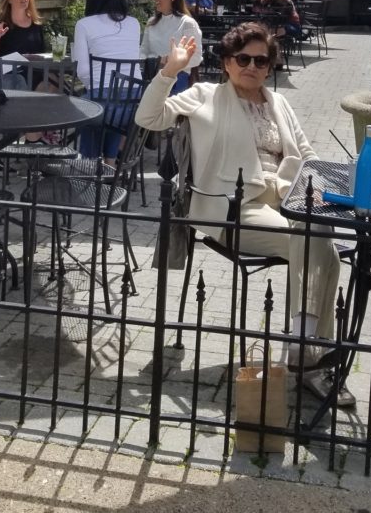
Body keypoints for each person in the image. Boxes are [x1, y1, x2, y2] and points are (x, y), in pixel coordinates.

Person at [134, 23, 353, 406]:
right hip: (232, 208)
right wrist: (171, 70)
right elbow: (148, 119)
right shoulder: (204, 95)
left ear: (270, 67)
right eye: (243, 58)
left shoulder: (279, 103)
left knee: (318, 238)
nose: (252, 66)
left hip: (285, 199)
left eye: (261, 60)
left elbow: (307, 154)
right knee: (318, 243)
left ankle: (304, 347)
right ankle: (311, 360)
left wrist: (320, 189)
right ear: (227, 62)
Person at [72, 0, 142, 159]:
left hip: (103, 104)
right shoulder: (134, 23)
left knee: (90, 108)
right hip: (133, 106)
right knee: (114, 110)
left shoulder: (84, 25)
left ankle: (90, 163)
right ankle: (110, 162)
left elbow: (83, 71)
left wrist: (95, 88)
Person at [140, 0, 202, 94]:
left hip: (177, 79)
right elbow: (143, 52)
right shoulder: (151, 23)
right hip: (152, 77)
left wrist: (171, 61)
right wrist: (156, 60)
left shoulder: (187, 23)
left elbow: (196, 57)